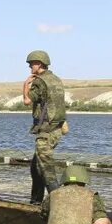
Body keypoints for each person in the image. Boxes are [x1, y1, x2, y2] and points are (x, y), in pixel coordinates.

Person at [22, 50, 67, 204]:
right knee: (36, 168)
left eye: (31, 64)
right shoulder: (56, 80)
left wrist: (26, 84)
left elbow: (28, 100)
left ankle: (58, 204)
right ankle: (36, 202)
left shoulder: (39, 82)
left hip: (45, 132)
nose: (30, 67)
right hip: (56, 129)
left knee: (47, 170)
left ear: (39, 64)